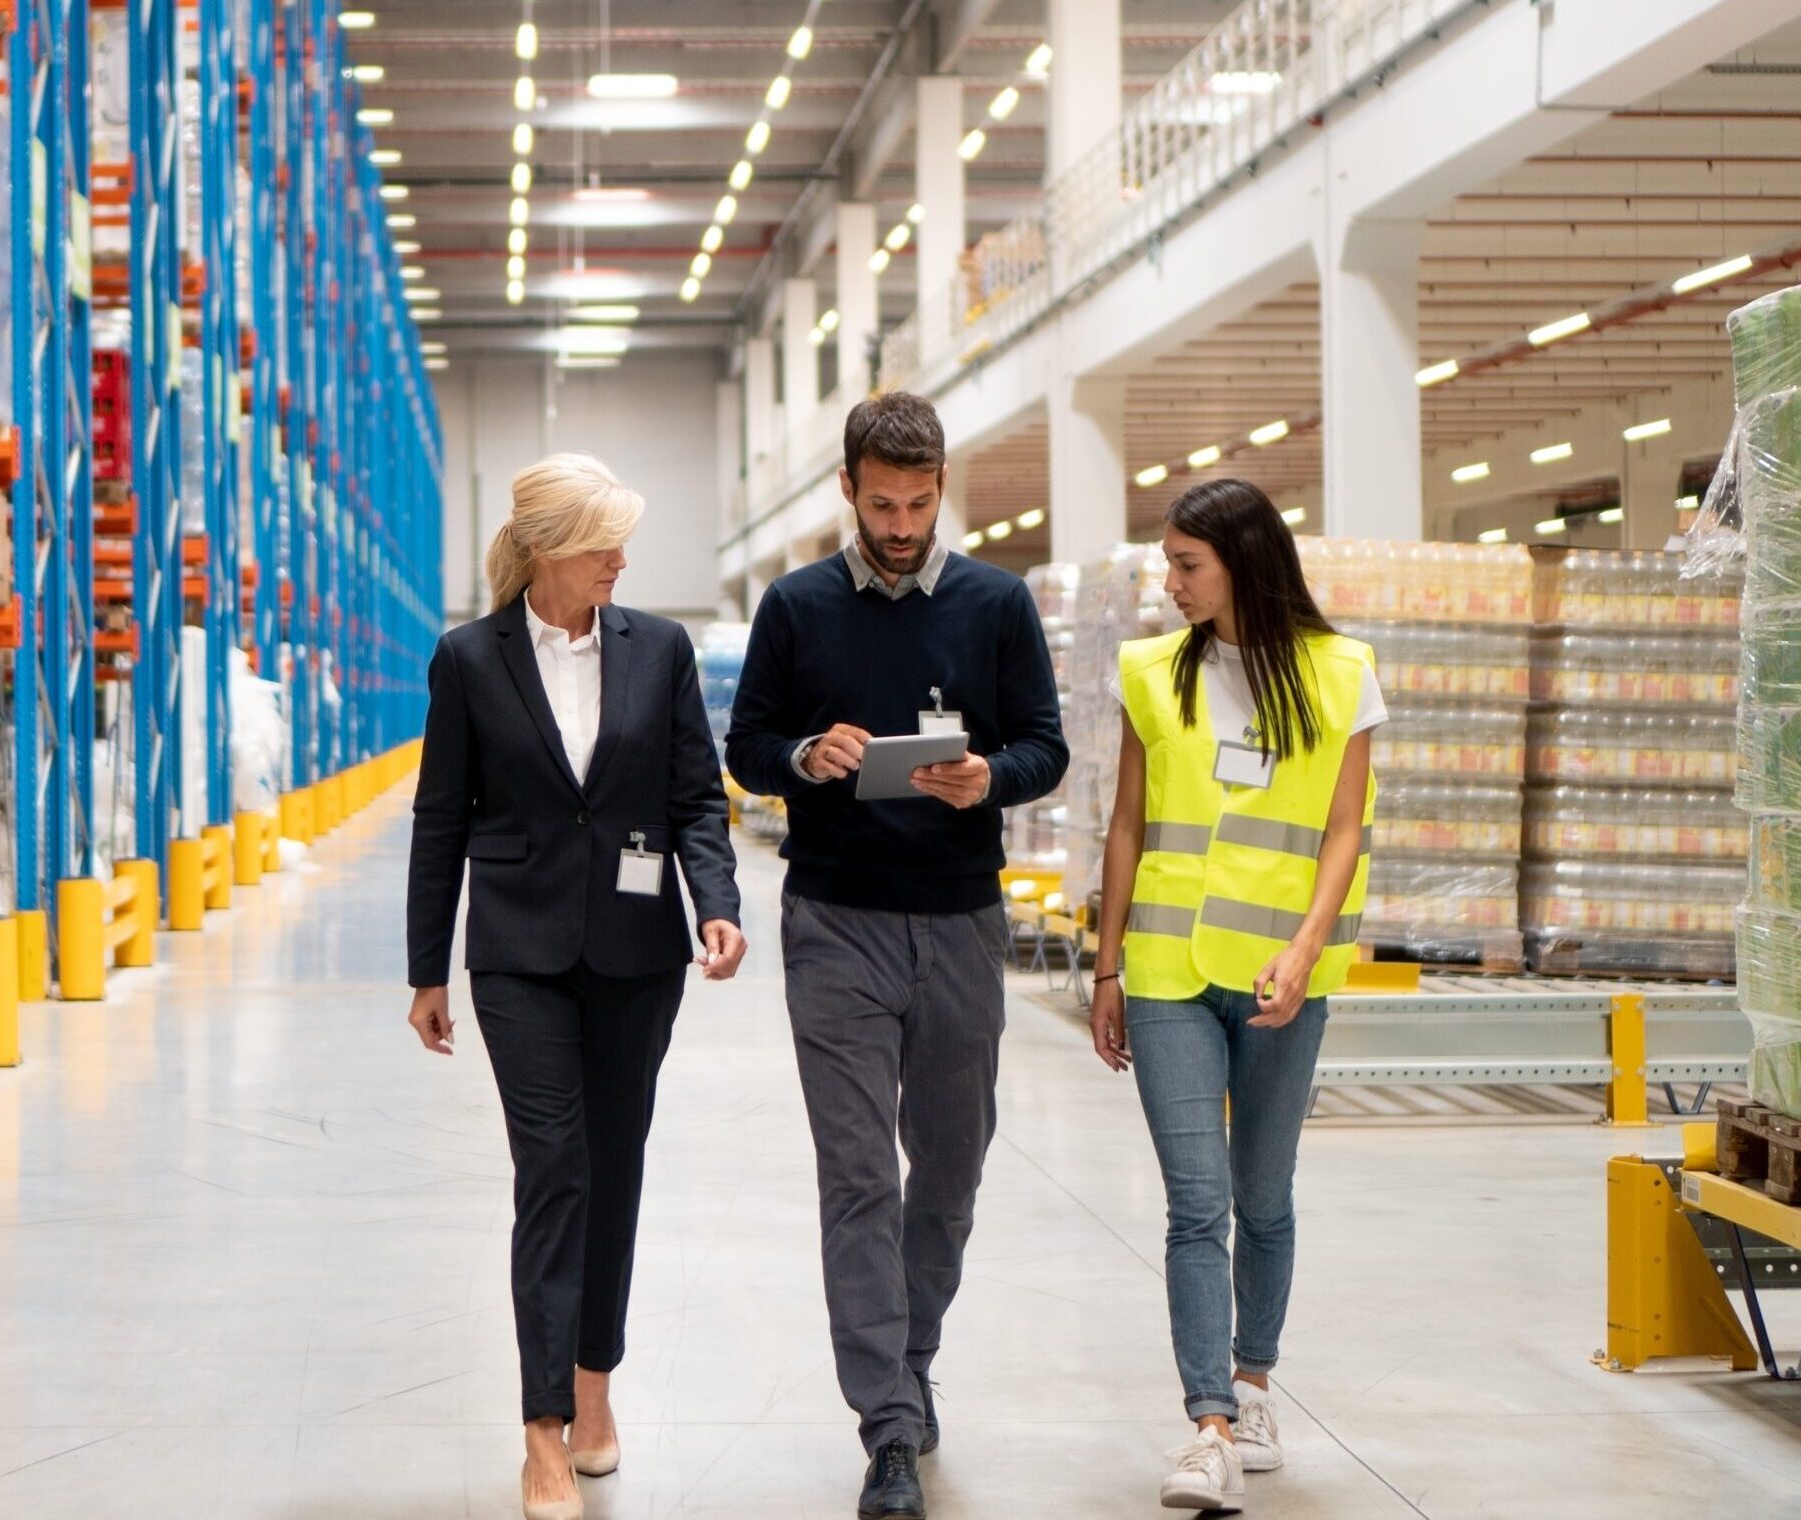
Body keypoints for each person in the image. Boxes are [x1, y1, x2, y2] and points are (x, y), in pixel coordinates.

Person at [724, 392, 1068, 1520]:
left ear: (940, 488)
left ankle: (911, 1362)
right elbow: (746, 745)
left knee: (952, 1167)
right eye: (882, 505)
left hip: (960, 920)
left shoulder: (996, 604)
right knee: (859, 1174)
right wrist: (804, 756)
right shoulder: (795, 605)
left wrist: (989, 778)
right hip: (835, 923)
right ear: (848, 489)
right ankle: (885, 1424)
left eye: (920, 504)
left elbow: (1045, 746)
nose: (903, 525)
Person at [404, 453, 748, 1520]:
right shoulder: (470, 658)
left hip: (639, 952)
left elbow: (695, 796)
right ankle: (542, 1431)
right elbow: (439, 816)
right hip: (518, 951)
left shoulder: (661, 648)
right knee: (552, 1170)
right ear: (548, 547)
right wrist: (426, 968)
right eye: (603, 542)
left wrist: (717, 900)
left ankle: (595, 1381)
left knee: (613, 1168)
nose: (621, 560)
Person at [1086, 479, 1382, 1513]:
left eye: (1186, 565)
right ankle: (1207, 1422)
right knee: (1195, 1203)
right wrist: (1106, 965)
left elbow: (1343, 829)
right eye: (1167, 563)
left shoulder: (1342, 673)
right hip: (1168, 972)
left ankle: (1254, 1386)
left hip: (1279, 981)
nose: (1168, 583)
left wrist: (1305, 950)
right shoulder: (1150, 671)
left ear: (1243, 562)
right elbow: (1127, 824)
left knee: (1263, 1196)